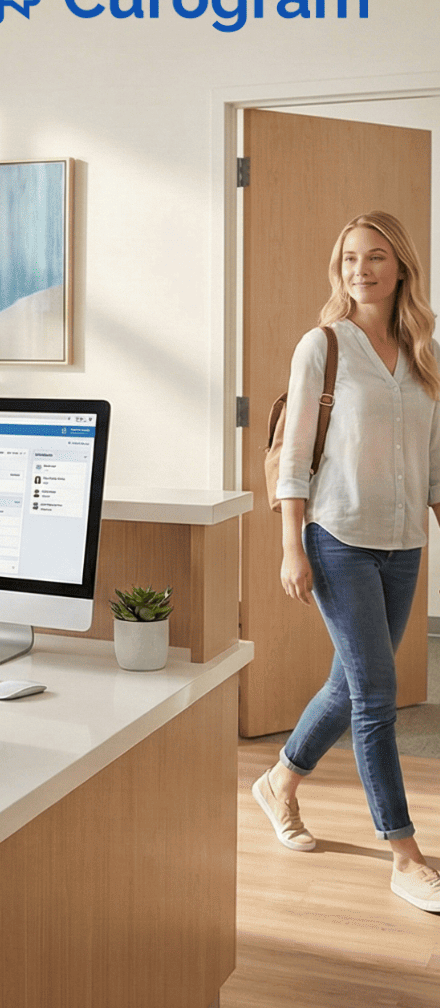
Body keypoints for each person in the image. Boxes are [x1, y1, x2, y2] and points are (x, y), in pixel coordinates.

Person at [256, 210, 440, 914]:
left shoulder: (424, 350)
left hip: (403, 544)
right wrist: (291, 545)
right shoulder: (322, 345)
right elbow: (295, 456)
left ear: (400, 268)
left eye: (374, 257)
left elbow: (436, 461)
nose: (359, 270)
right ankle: (404, 853)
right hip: (336, 537)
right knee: (377, 697)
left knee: (351, 683)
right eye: (348, 259)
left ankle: (279, 781)